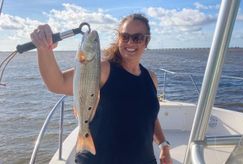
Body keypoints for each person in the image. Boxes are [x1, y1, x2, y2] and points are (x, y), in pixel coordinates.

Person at [31, 13, 172, 164]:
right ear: (119, 39)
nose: (130, 42)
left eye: (137, 37)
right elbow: (57, 83)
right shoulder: (103, 69)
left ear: (146, 41)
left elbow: (149, 116)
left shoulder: (151, 78)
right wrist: (44, 47)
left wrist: (163, 144)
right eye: (125, 36)